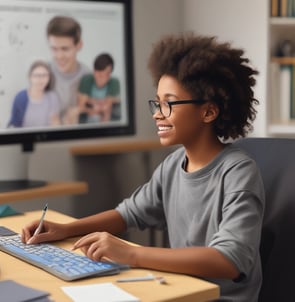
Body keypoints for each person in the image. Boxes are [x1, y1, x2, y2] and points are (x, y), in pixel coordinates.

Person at [22, 33, 265, 301]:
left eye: (168, 104)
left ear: (208, 112)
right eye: (157, 102)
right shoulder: (173, 165)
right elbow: (128, 214)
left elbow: (228, 260)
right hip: (181, 290)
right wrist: (65, 229)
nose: (157, 113)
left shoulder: (239, 173)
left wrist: (132, 254)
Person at [46, 15, 90, 124]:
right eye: (54, 49)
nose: (59, 56)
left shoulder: (89, 77)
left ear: (79, 45)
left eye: (65, 49)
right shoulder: (43, 73)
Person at [7, 60, 61, 128]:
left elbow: (55, 124)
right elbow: (14, 125)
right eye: (37, 75)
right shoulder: (20, 98)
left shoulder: (53, 97)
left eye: (44, 75)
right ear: (30, 77)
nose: (41, 79)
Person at [78, 53, 120, 123]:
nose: (101, 78)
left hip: (105, 114)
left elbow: (109, 103)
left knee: (107, 108)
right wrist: (93, 107)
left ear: (110, 74)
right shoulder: (86, 80)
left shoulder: (114, 82)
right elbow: (81, 104)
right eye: (99, 74)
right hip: (88, 112)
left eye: (106, 74)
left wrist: (95, 103)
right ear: (94, 71)